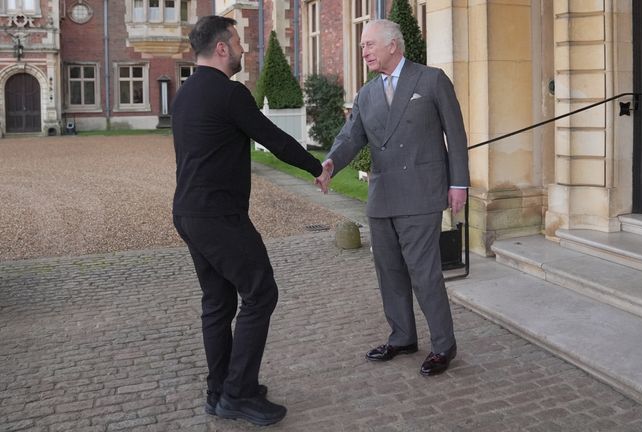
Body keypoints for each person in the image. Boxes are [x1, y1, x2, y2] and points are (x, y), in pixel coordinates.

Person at [171, 16, 331, 426]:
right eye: (239, 43)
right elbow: (273, 138)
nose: (245, 50)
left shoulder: (185, 93)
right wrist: (317, 166)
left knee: (218, 302)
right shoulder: (230, 93)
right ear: (222, 48)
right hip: (219, 216)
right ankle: (237, 394)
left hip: (188, 212)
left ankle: (219, 390)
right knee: (261, 293)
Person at [319, 19, 469, 376]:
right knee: (389, 272)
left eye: (369, 44)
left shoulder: (431, 80)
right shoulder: (367, 93)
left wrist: (459, 183)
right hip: (382, 195)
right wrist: (329, 164)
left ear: (393, 45)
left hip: (422, 193)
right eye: (362, 46)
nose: (364, 51)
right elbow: (350, 137)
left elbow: (456, 134)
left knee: (423, 273)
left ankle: (443, 346)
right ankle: (402, 336)